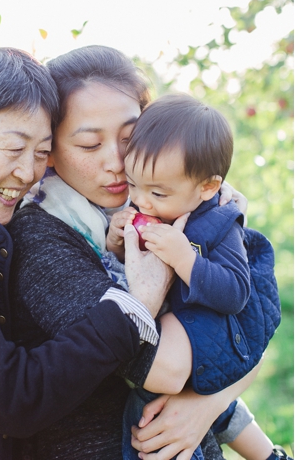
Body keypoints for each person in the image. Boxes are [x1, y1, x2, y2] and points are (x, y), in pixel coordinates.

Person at [0, 48, 173, 459]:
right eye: (13, 148)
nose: (27, 173)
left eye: (40, 153)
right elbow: (11, 398)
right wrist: (137, 306)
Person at [6, 46, 278, 460]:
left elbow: (255, 328)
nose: (118, 162)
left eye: (130, 139)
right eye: (89, 145)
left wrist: (204, 406)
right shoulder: (43, 237)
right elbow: (169, 367)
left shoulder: (175, 205)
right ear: (51, 151)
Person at [106, 93, 283, 460]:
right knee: (218, 414)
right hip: (185, 352)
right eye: (134, 185)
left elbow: (236, 292)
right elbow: (139, 272)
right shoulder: (160, 211)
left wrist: (185, 259)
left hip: (211, 343)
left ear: (207, 186)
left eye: (157, 192)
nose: (142, 202)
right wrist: (119, 244)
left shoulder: (220, 225)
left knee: (150, 425)